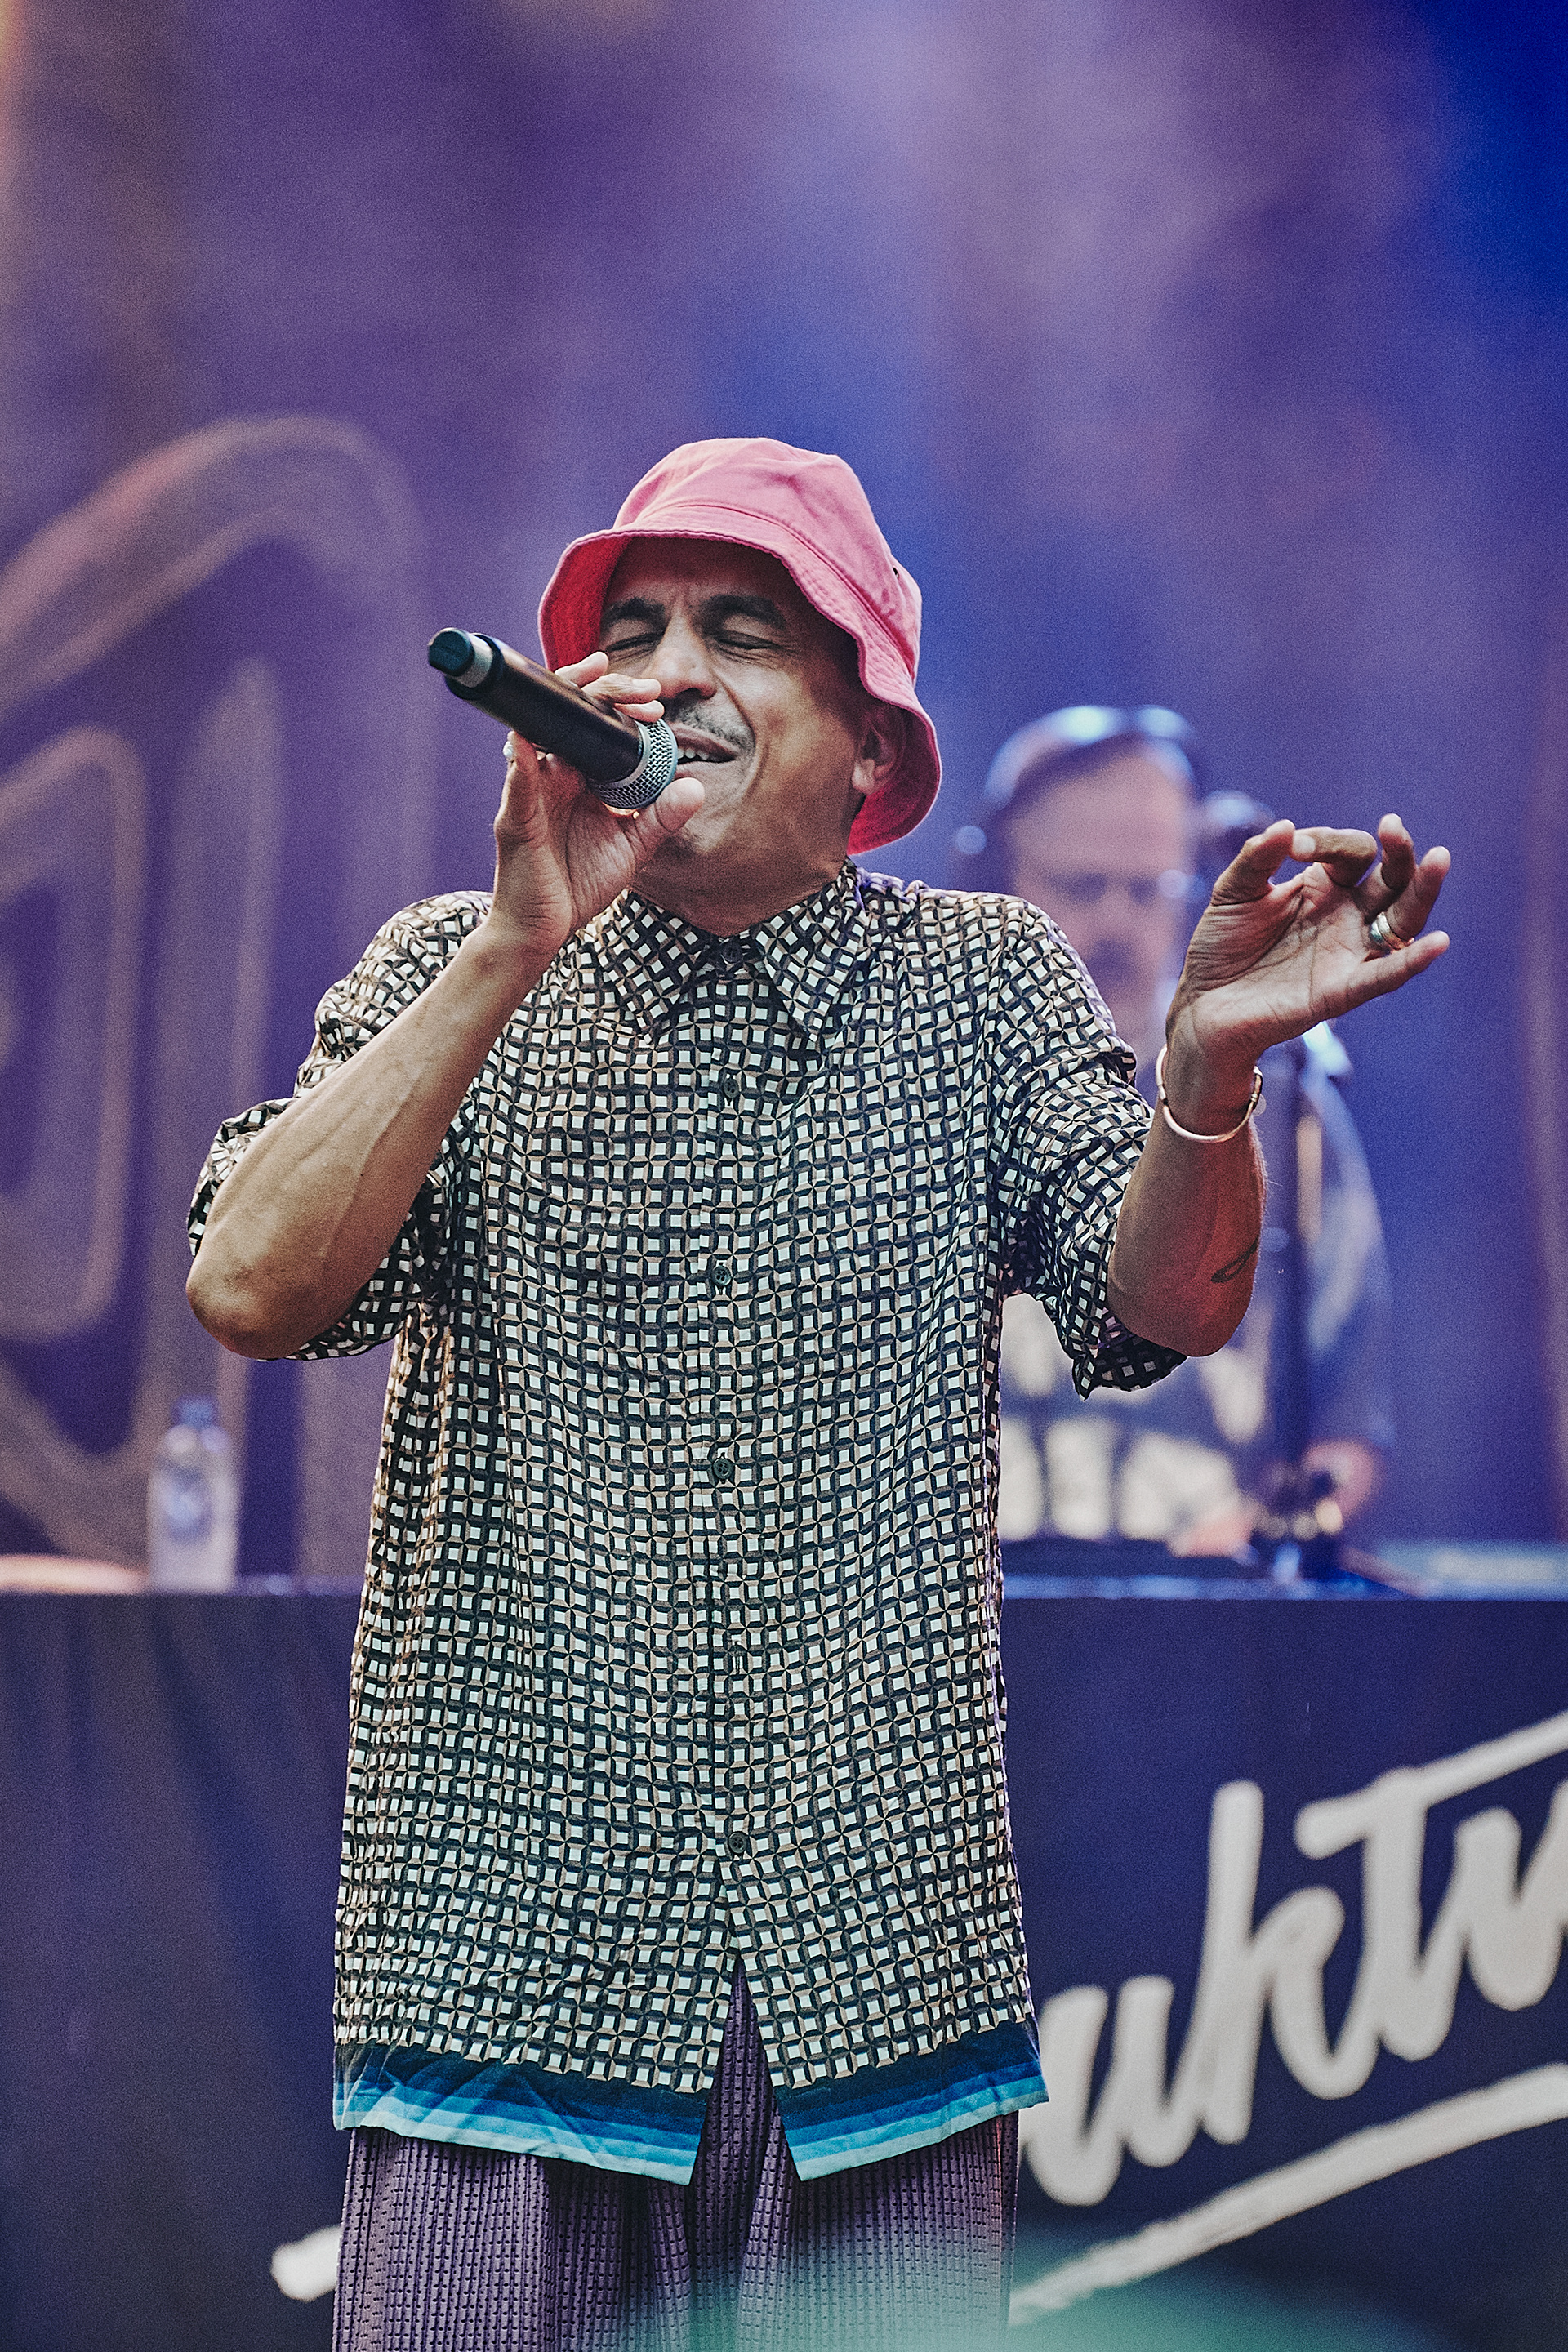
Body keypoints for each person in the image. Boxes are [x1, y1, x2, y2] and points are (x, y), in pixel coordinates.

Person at [185, 439, 1449, 2351]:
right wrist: (515, 938)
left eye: (743, 631)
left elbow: (1160, 1312)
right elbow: (251, 1288)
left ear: (870, 749)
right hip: (505, 1944)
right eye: (632, 632)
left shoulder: (982, 980)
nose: (669, 672)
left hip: (872, 1953)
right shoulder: (448, 965)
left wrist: (1200, 1076)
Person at [956, 709, 1392, 1557]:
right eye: (1082, 886)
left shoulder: (1285, 1108)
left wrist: (1270, 1530)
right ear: (989, 878)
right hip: (956, 1611)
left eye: (1149, 890)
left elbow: (1348, 1432)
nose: (1117, 925)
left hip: (1202, 1612)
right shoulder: (914, 1085)